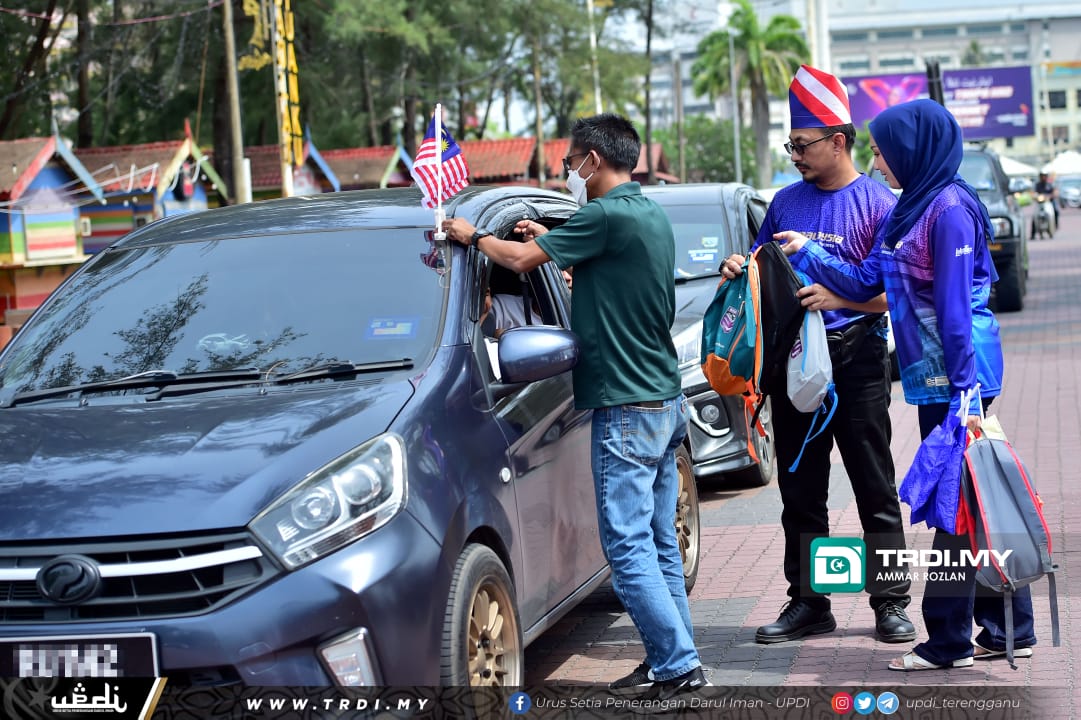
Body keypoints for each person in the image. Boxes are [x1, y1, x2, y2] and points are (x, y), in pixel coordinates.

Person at [443, 113, 707, 695]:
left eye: (570, 163)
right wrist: (550, 241)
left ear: (593, 159)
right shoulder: (647, 215)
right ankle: (671, 655)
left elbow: (513, 263)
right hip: (663, 400)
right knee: (661, 541)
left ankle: (679, 667)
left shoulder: (603, 215)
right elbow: (608, 274)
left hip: (624, 404)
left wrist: (472, 237)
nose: (569, 172)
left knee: (626, 543)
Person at [778, 98, 1035, 671]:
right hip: (932, 379)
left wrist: (966, 395)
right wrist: (810, 251)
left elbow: (953, 314)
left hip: (960, 379)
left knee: (953, 510)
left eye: (883, 149)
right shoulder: (909, 208)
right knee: (969, 504)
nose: (877, 159)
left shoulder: (949, 210)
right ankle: (1006, 627)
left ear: (913, 150)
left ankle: (949, 642)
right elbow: (868, 278)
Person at [721, 65, 916, 645]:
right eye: (791, 145)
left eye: (802, 145)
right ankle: (810, 602)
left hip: (856, 365)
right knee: (800, 490)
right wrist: (740, 267)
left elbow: (895, 292)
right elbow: (764, 271)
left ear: (838, 140)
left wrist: (842, 297)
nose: (795, 155)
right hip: (794, 365)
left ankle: (890, 603)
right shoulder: (784, 203)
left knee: (873, 485)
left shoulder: (882, 204)